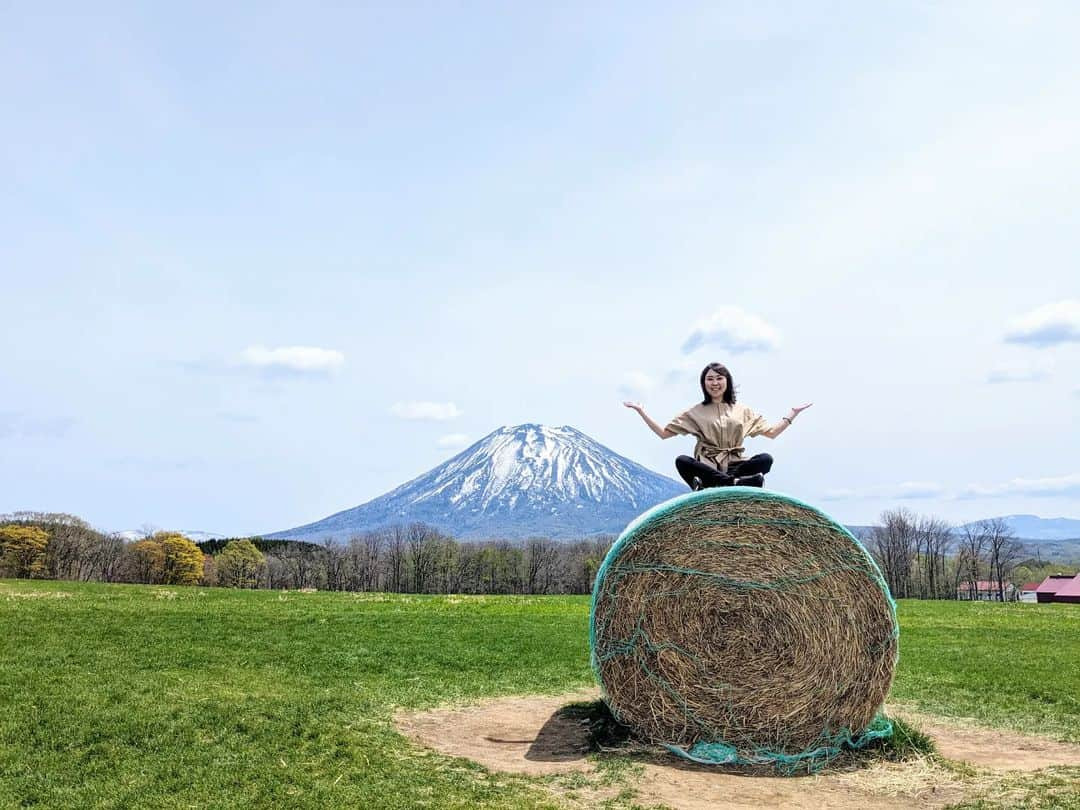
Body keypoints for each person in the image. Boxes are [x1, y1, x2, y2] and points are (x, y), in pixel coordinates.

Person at [623, 362, 811, 489]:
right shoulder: (695, 411)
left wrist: (792, 414)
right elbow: (664, 433)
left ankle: (727, 482)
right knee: (682, 461)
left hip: (736, 465)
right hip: (708, 467)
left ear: (727, 382)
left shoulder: (743, 411)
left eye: (719, 378)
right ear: (703, 384)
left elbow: (771, 433)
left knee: (766, 459)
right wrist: (641, 412)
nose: (714, 383)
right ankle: (736, 484)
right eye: (710, 379)